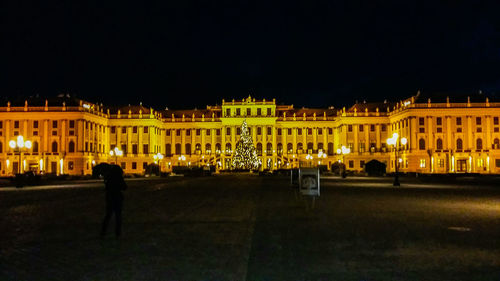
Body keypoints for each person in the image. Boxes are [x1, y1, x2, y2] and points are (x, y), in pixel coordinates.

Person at [99, 164, 127, 238]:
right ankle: (118, 233)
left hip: (110, 198)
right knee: (118, 216)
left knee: (108, 216)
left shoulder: (108, 177)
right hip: (118, 198)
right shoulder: (119, 177)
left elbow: (107, 188)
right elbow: (124, 187)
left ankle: (103, 232)